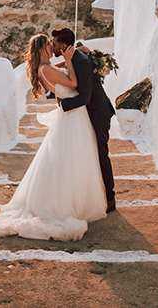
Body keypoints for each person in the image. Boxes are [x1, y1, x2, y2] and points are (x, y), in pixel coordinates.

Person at [0, 33, 107, 241]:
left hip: (72, 115)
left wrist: (71, 57)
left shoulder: (45, 68)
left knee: (71, 159)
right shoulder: (46, 69)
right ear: (43, 49)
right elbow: (72, 82)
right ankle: (64, 203)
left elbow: (57, 74)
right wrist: (70, 61)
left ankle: (75, 199)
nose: (53, 48)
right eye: (49, 46)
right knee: (69, 159)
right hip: (71, 118)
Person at [52, 28, 116, 212]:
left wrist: (62, 106)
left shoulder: (81, 62)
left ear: (64, 46)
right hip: (90, 113)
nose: (53, 46)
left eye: (55, 44)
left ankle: (110, 199)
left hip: (98, 112)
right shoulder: (75, 58)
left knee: (101, 154)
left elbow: (85, 98)